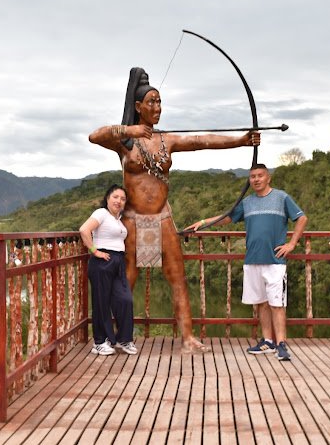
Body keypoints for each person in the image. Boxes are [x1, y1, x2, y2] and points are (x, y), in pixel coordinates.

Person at [88, 67, 260, 353]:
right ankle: (118, 337)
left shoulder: (167, 139)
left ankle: (188, 337)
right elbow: (95, 135)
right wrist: (130, 130)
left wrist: (241, 140)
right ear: (138, 107)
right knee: (126, 279)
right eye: (151, 102)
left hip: (162, 218)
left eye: (159, 101)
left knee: (176, 276)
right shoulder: (124, 142)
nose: (157, 107)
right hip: (133, 220)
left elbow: (201, 140)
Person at [186, 163, 308, 361]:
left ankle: (282, 344)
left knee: (277, 303)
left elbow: (301, 218)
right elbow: (226, 218)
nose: (256, 179)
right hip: (252, 260)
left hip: (275, 260)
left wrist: (292, 243)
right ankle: (268, 342)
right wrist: (202, 222)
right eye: (252, 177)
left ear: (268, 178)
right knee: (261, 303)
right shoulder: (248, 202)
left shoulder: (281, 197)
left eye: (260, 175)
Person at [79, 184, 137, 356]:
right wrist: (94, 251)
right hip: (102, 262)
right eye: (116, 197)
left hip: (118, 262)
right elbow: (84, 229)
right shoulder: (101, 213)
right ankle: (99, 342)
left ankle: (123, 339)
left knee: (125, 299)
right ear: (107, 198)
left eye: (123, 199)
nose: (119, 201)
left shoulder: (118, 220)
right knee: (101, 303)